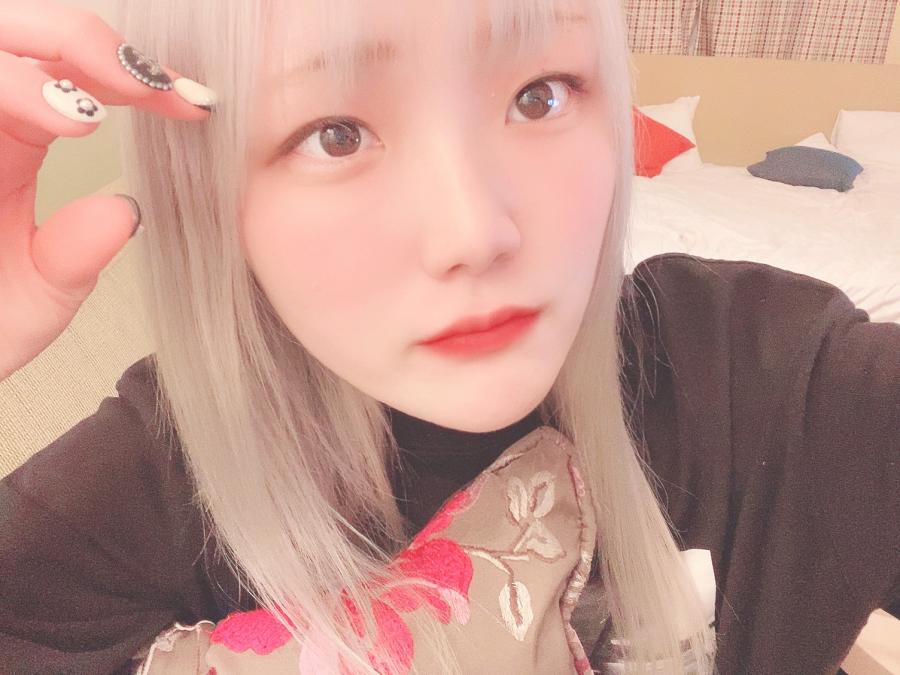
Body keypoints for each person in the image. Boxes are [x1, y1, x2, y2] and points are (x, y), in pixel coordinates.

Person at [0, 0, 896, 673]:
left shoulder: (768, 379)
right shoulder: (142, 488)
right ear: (204, 187)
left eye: (540, 96)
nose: (474, 232)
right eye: (336, 134)